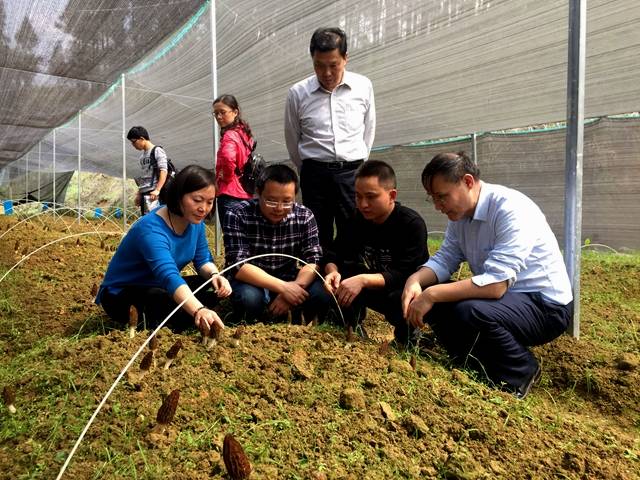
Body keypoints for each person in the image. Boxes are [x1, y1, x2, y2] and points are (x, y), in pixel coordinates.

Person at [401, 152, 573, 399]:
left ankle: (521, 370)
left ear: (468, 182)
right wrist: (415, 281)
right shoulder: (460, 217)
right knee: (438, 305)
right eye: (433, 199)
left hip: (545, 306)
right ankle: (471, 361)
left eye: (442, 196)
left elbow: (495, 286)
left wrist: (432, 293)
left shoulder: (511, 209)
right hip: (509, 301)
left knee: (468, 310)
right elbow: (445, 258)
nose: (438, 206)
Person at [96, 165, 231, 332]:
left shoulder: (195, 222)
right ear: (179, 196)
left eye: (209, 202)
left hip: (160, 286)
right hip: (123, 294)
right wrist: (198, 309)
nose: (203, 208)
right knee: (161, 300)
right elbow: (168, 275)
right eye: (197, 200)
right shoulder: (151, 229)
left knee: (209, 286)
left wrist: (214, 275)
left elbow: (202, 259)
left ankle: (182, 315)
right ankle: (183, 318)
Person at [284, 27, 376, 253]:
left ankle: (351, 279)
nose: (326, 72)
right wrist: (309, 167)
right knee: (316, 231)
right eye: (319, 65)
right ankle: (318, 281)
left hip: (351, 173)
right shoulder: (298, 93)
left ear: (345, 58)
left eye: (333, 65)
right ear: (312, 60)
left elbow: (369, 130)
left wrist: (358, 164)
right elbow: (292, 137)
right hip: (315, 174)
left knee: (353, 227)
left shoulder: (363, 86)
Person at [323, 160, 429, 343]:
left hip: (403, 287)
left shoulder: (410, 224)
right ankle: (350, 323)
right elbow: (335, 253)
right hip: (374, 282)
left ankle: (408, 335)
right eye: (358, 196)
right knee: (344, 278)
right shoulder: (356, 219)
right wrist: (333, 272)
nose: (363, 204)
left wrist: (363, 280)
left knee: (402, 297)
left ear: (392, 195)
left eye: (371, 197)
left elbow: (406, 273)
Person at [223, 164, 330, 323]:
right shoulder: (238, 214)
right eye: (271, 201)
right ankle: (251, 319)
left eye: (287, 201)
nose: (279, 208)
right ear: (258, 193)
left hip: (290, 277)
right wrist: (283, 288)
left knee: (321, 294)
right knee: (249, 299)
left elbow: (313, 260)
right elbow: (238, 265)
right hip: (252, 280)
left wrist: (294, 289)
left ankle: (300, 317)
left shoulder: (304, 216)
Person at [212, 94, 255, 228]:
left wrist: (226, 177)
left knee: (232, 240)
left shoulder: (230, 135)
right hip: (246, 192)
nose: (219, 117)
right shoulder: (244, 133)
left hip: (230, 193)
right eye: (216, 113)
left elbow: (227, 157)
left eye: (223, 112)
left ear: (235, 112)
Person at [128, 126, 170, 215]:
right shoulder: (142, 157)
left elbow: (163, 170)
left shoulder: (157, 150)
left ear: (142, 138)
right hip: (145, 193)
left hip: (154, 194)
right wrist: (139, 194)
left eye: (134, 142)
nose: (133, 145)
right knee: (146, 220)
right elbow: (144, 177)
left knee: (154, 221)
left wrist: (157, 190)